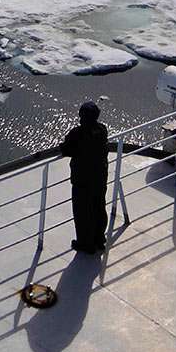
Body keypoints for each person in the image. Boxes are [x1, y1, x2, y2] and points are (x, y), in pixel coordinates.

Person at [61, 100, 109, 253]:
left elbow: (66, 149)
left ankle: (86, 244)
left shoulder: (78, 133)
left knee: (83, 213)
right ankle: (99, 240)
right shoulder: (102, 130)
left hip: (83, 180)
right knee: (99, 208)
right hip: (100, 178)